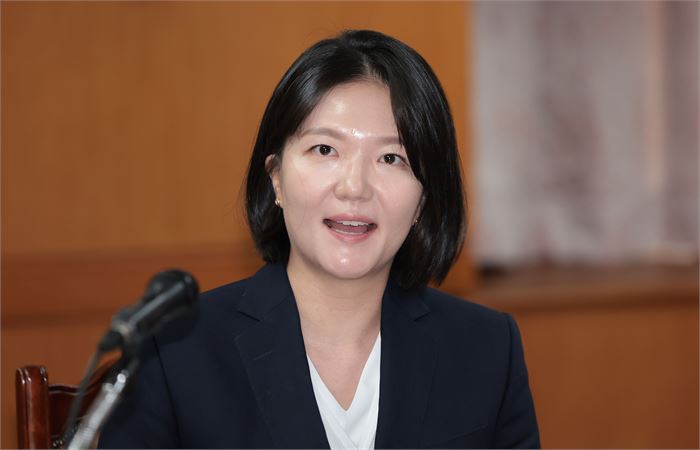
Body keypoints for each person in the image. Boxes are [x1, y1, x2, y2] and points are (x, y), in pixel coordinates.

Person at [99, 29, 539, 449]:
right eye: (325, 150)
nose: (354, 187)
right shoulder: (173, 350)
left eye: (391, 158)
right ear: (276, 177)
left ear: (423, 199)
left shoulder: (486, 348)